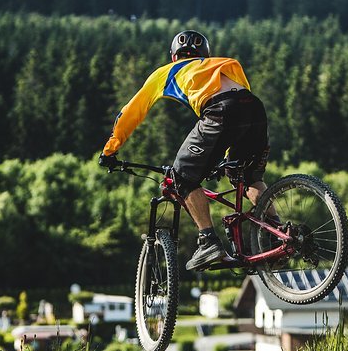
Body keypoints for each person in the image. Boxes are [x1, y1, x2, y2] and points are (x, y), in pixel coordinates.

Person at [99, 29, 270, 271]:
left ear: (174, 57)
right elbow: (240, 111)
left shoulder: (166, 72)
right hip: (254, 108)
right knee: (248, 177)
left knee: (181, 177)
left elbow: (131, 113)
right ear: (204, 54)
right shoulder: (220, 65)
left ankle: (208, 241)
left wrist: (110, 150)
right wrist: (221, 158)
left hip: (220, 111)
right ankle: (278, 232)